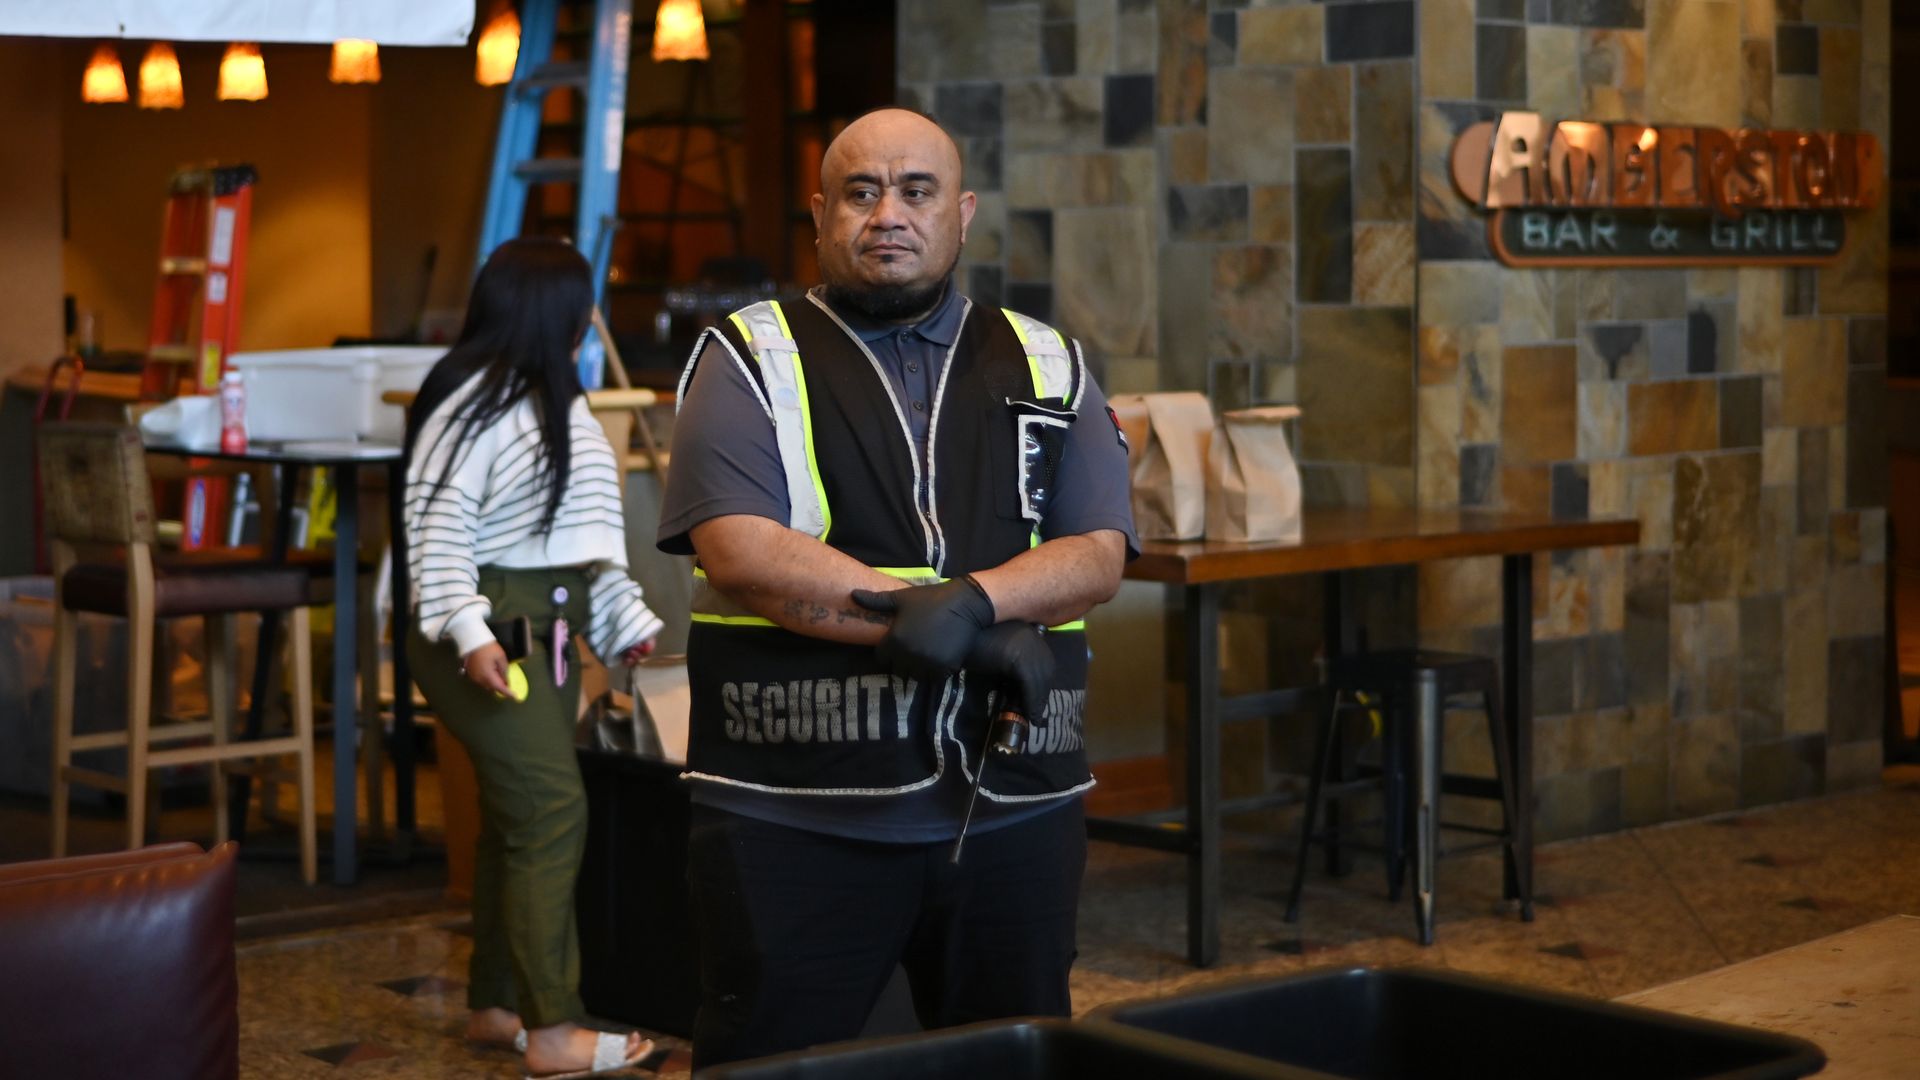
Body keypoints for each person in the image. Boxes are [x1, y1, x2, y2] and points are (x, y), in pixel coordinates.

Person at [657, 107, 1138, 1068]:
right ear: (821, 213)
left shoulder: (1050, 359)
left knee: (1016, 1056)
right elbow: (742, 547)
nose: (889, 214)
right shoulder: (747, 356)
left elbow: (1098, 550)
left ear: (960, 213)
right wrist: (958, 622)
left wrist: (974, 603)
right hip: (797, 810)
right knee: (775, 1060)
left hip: (1017, 804)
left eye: (916, 191)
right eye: (862, 192)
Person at [404, 238, 664, 1079]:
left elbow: (584, 544)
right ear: (558, 311)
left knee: (521, 818)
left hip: (545, 629)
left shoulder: (558, 399)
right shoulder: (473, 403)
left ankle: (496, 1004)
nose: (594, 317)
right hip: (486, 630)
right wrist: (471, 635)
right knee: (553, 813)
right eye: (585, 303)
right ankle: (553, 1030)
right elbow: (436, 531)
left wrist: (624, 620)